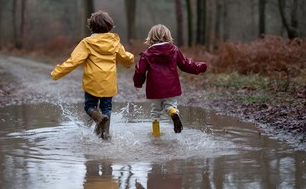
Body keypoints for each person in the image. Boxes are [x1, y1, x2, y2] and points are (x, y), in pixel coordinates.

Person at [51, 10, 134, 139]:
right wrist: (130, 61)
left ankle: (99, 118)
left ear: (91, 26)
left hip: (92, 82)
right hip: (108, 81)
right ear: (109, 26)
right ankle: (105, 133)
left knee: (90, 106)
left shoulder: (87, 43)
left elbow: (74, 61)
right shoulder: (114, 43)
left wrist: (57, 72)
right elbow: (125, 58)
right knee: (107, 107)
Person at [133, 24, 207, 135]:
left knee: (155, 112)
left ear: (151, 37)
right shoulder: (174, 50)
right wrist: (200, 67)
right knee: (170, 105)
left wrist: (138, 83)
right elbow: (186, 64)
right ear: (168, 36)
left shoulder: (147, 54)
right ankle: (173, 112)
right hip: (171, 87)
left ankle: (156, 135)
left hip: (155, 89)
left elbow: (140, 71)